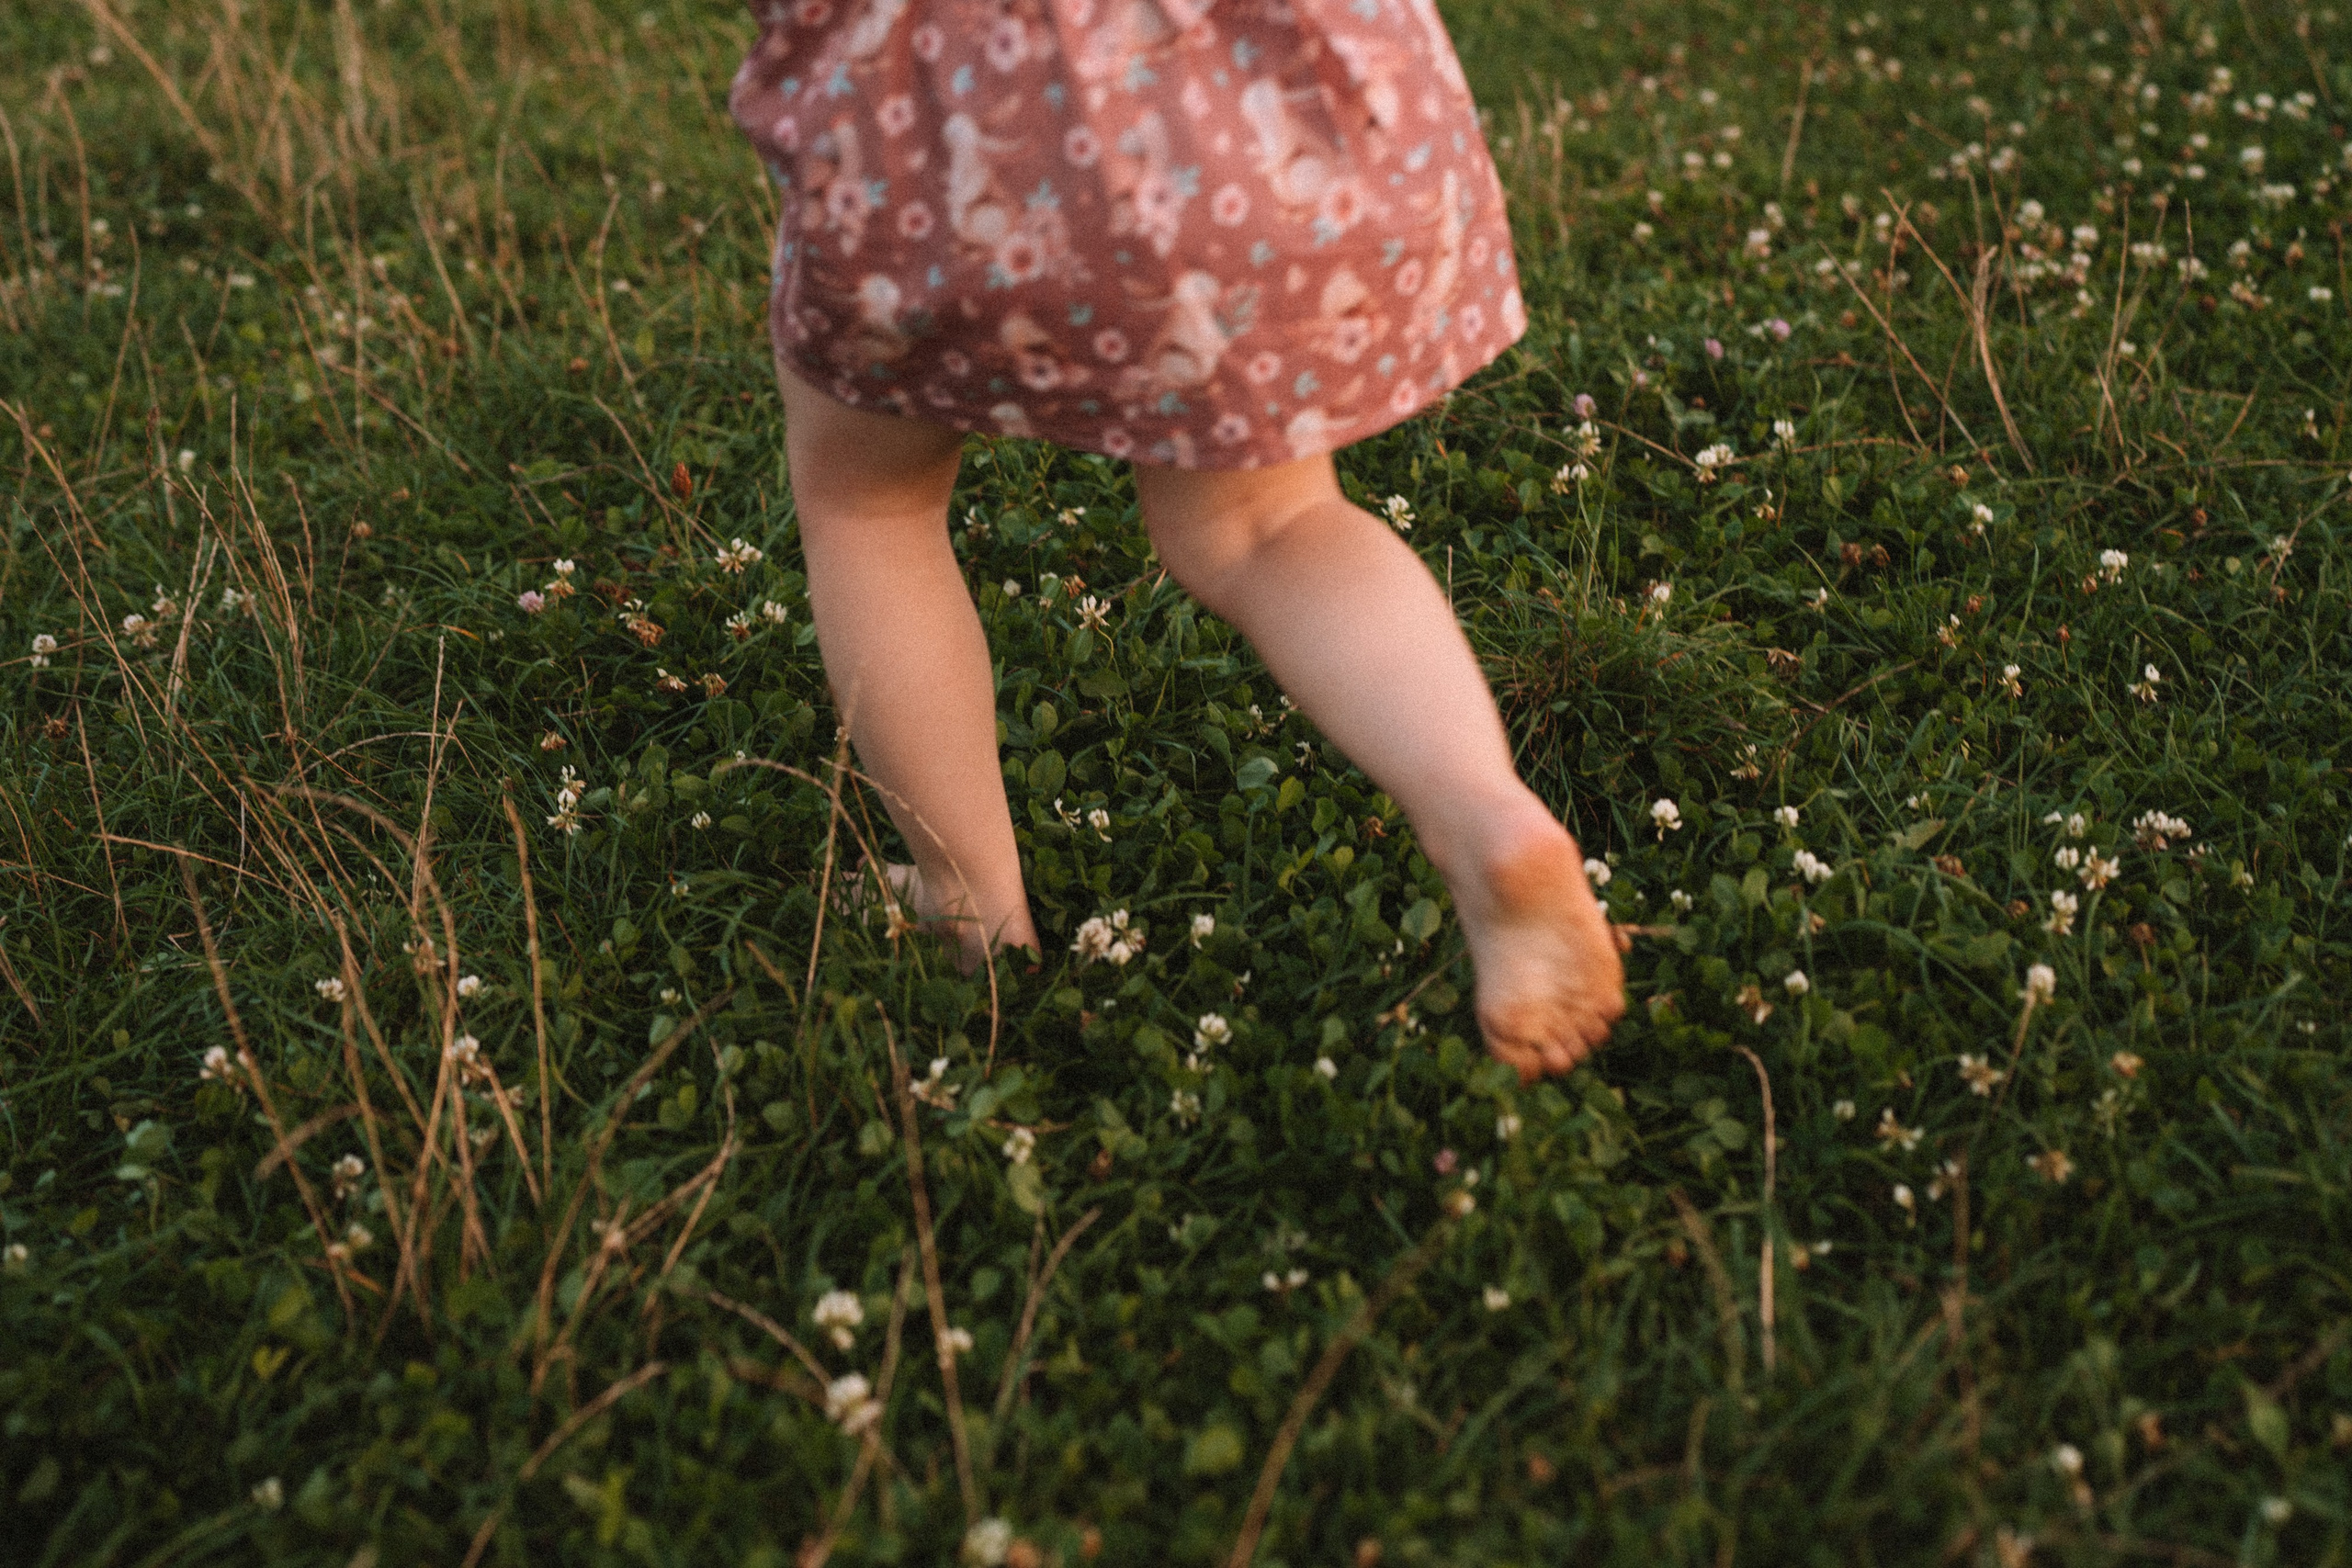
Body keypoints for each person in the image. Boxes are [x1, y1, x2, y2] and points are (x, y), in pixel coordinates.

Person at [728, 0, 1623, 1077]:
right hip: (1239, 138)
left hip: (936, 151)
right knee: (1268, 522)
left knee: (870, 506)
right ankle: (1482, 813)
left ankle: (969, 905)